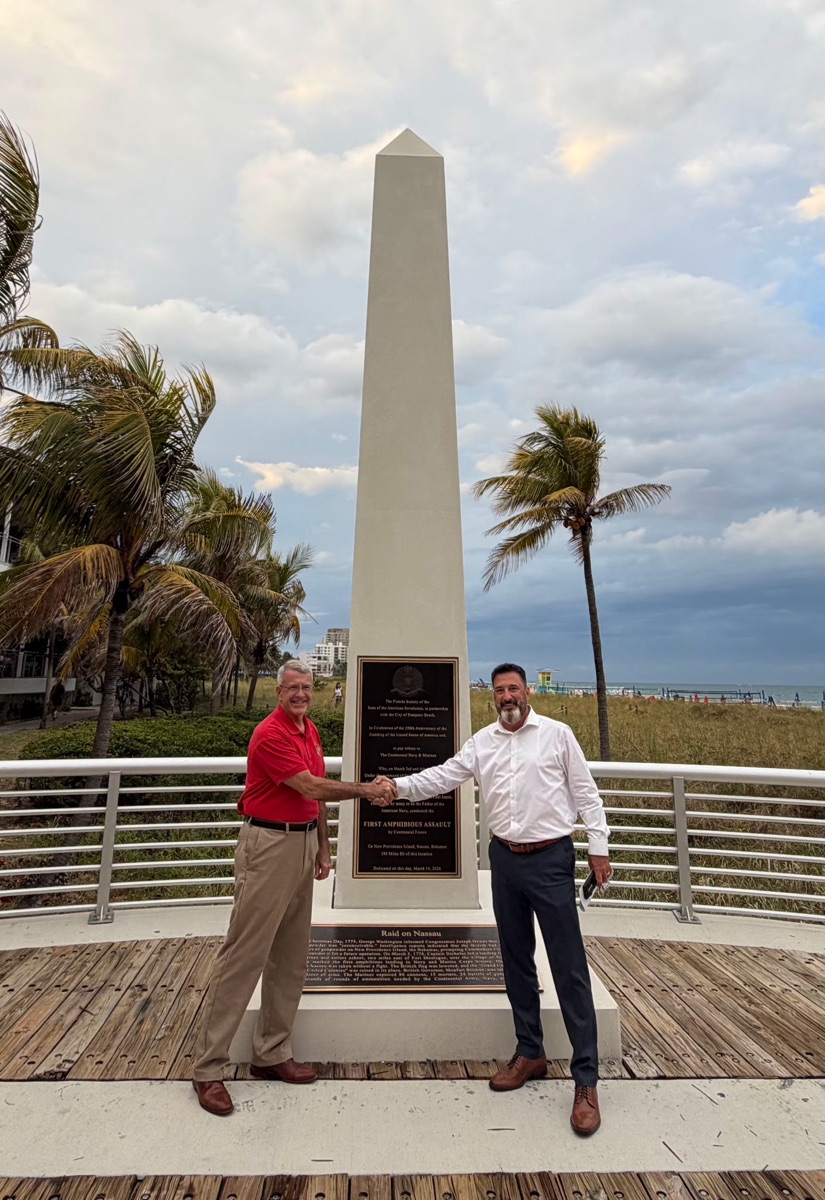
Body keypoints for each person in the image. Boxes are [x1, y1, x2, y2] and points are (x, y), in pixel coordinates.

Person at [372, 662, 611, 1137]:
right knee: (515, 961)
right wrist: (397, 788)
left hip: (551, 860)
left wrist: (599, 847)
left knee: (568, 967)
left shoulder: (558, 734)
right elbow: (442, 777)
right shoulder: (482, 743)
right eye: (500, 690)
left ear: (527, 693)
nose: (507, 696)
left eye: (514, 689)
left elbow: (586, 793)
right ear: (494, 697)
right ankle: (531, 1053)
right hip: (504, 861)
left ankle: (585, 1081)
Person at [192, 659, 395, 1116]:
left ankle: (271, 1053)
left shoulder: (310, 730)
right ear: (278, 691)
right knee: (244, 954)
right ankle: (208, 1069)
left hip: (302, 844)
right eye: (293, 688)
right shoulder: (272, 734)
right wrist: (368, 791)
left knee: (290, 956)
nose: (301, 694)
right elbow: (308, 784)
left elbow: (314, 797)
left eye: (307, 687)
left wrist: (324, 848)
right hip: (267, 844)